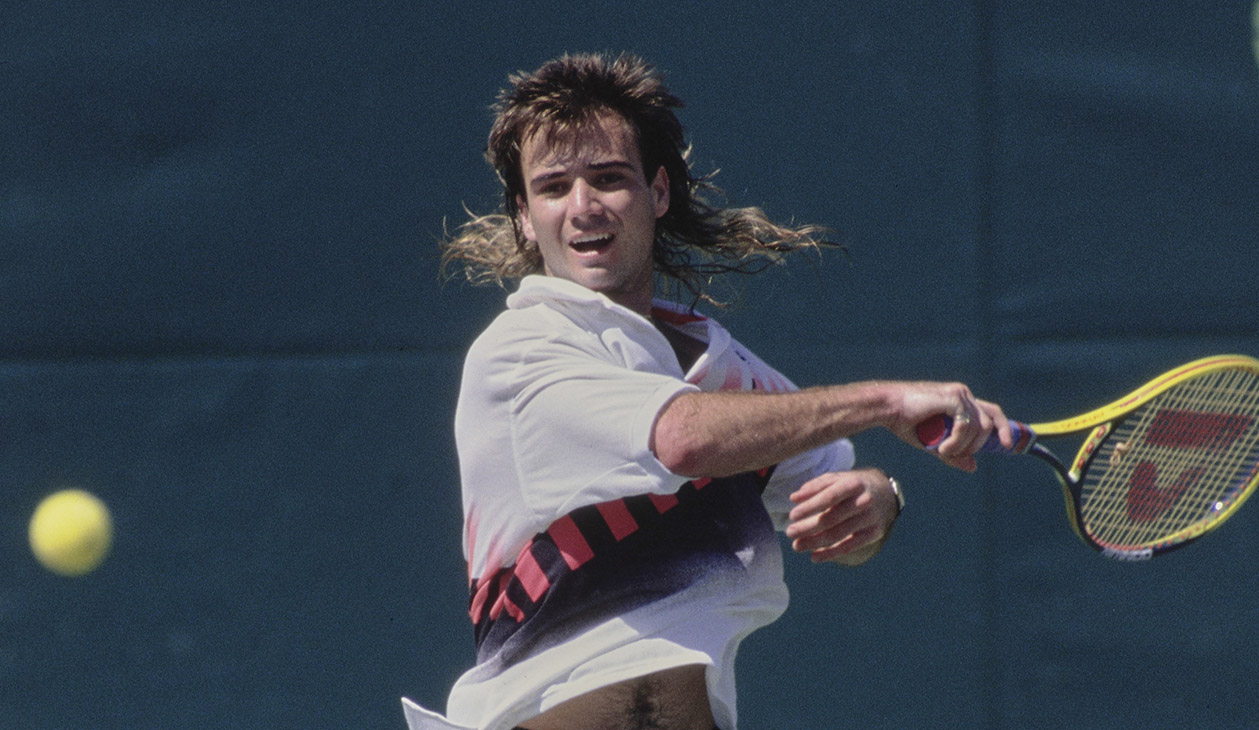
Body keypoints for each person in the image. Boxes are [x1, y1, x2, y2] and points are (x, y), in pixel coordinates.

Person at [402, 52, 1010, 730]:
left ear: (658, 192)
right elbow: (684, 440)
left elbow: (830, 488)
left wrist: (877, 499)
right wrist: (886, 403)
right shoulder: (519, 352)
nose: (582, 207)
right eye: (552, 187)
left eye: (608, 178)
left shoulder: (719, 367)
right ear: (523, 215)